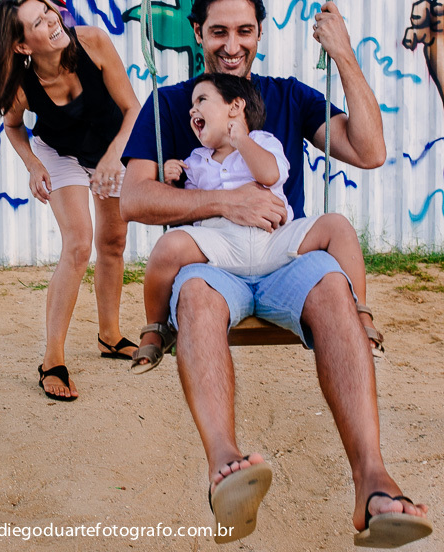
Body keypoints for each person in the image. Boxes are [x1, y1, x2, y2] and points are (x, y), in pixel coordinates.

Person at [121, 0, 431, 546]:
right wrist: (224, 201)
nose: (231, 45)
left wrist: (343, 55)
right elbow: (134, 198)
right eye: (218, 31)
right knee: (194, 296)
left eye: (244, 31)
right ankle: (225, 468)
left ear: (259, 33)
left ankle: (372, 482)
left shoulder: (288, 97)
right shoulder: (171, 104)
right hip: (213, 258)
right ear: (197, 32)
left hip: (284, 254)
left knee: (333, 286)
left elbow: (369, 151)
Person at [0, 0, 141, 401]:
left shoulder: (92, 42)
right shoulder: (23, 86)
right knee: (78, 244)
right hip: (60, 153)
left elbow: (133, 109)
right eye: (38, 22)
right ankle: (52, 359)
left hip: (111, 148)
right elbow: (13, 126)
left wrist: (112, 158)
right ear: (23, 46)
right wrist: (33, 165)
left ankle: (109, 336)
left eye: (48, 12)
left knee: (113, 242)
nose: (52, 21)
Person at [131, 72, 367, 376]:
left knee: (338, 226)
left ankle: (361, 314)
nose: (192, 110)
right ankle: (156, 328)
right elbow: (190, 209)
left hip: (275, 242)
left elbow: (269, 175)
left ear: (235, 106)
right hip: (222, 246)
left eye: (201, 100)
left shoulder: (263, 141)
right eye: (192, 104)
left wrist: (241, 139)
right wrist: (169, 179)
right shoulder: (197, 159)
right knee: (167, 246)